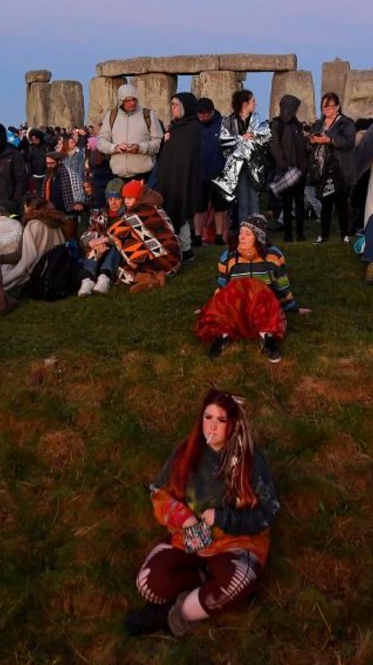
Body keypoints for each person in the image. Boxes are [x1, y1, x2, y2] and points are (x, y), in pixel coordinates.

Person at [125, 389, 279, 637]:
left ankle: (171, 616)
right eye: (208, 417)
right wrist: (183, 518)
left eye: (221, 420)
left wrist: (223, 518)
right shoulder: (185, 452)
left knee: (237, 582)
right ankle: (205, 582)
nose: (212, 427)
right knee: (148, 585)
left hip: (235, 543)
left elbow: (269, 512)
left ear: (233, 424)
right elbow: (159, 492)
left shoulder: (249, 460)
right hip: (189, 541)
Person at [195, 215, 301, 364]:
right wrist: (209, 308)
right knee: (235, 290)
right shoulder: (228, 256)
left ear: (258, 238)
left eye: (248, 233)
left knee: (259, 289)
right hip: (238, 308)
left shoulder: (273, 256)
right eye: (241, 232)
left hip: (262, 307)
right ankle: (222, 336)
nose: (242, 237)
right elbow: (222, 288)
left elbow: (282, 285)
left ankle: (267, 339)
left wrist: (292, 306)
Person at [108, 179, 181, 292]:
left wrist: (105, 239)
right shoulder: (158, 208)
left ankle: (148, 278)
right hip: (175, 261)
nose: (126, 201)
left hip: (160, 261)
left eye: (130, 198)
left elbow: (117, 234)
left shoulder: (133, 215)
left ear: (139, 197)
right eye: (125, 198)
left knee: (120, 268)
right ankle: (159, 276)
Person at [157, 92, 204, 256]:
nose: (173, 109)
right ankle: (177, 248)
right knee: (171, 211)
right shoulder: (176, 127)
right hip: (170, 178)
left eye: (176, 105)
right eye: (172, 105)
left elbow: (188, 159)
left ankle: (185, 249)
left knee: (180, 211)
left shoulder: (191, 129)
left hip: (183, 179)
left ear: (185, 107)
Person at [308, 92, 357, 244]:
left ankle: (345, 234)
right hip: (322, 167)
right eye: (324, 106)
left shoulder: (346, 122)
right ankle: (324, 235)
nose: (326, 109)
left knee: (341, 202)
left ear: (337, 107)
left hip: (339, 167)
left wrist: (329, 140)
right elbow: (309, 144)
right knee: (325, 202)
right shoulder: (318, 124)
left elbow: (349, 142)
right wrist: (312, 140)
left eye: (330, 106)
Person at [97, 83, 163, 182]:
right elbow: (101, 142)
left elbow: (158, 142)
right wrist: (114, 148)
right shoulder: (111, 116)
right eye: (128, 100)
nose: (132, 103)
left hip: (144, 175)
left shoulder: (148, 115)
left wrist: (140, 148)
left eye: (134, 99)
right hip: (118, 176)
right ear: (121, 102)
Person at [219, 89, 266, 226]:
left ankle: (258, 233)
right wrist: (241, 138)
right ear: (244, 103)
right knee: (243, 202)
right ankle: (244, 233)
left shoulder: (256, 119)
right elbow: (223, 141)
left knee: (255, 201)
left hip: (254, 166)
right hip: (237, 167)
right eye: (253, 101)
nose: (255, 104)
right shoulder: (228, 121)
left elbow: (263, 138)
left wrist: (257, 136)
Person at [269, 94, 310, 243]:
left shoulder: (297, 124)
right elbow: (275, 147)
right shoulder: (276, 124)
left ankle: (299, 233)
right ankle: (288, 235)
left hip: (299, 171)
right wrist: (283, 165)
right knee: (286, 205)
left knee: (299, 204)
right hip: (286, 171)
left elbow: (301, 147)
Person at [1, 197, 66, 291]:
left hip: (38, 272)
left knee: (5, 270)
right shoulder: (55, 223)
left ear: (28, 207)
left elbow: (27, 259)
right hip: (56, 267)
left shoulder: (32, 226)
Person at [77, 178, 126, 296]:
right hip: (99, 252)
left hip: (119, 255)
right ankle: (87, 280)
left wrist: (107, 240)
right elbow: (87, 233)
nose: (113, 203)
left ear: (123, 199)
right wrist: (91, 242)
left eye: (117, 199)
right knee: (95, 242)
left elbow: (126, 236)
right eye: (110, 199)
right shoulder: (100, 213)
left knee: (116, 244)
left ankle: (105, 277)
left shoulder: (127, 215)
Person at [194, 98, 228, 245]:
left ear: (212, 112)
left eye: (205, 114)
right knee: (198, 208)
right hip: (199, 173)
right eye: (200, 114)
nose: (202, 117)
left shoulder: (222, 124)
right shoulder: (195, 125)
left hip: (218, 171)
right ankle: (197, 236)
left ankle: (219, 236)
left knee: (220, 207)